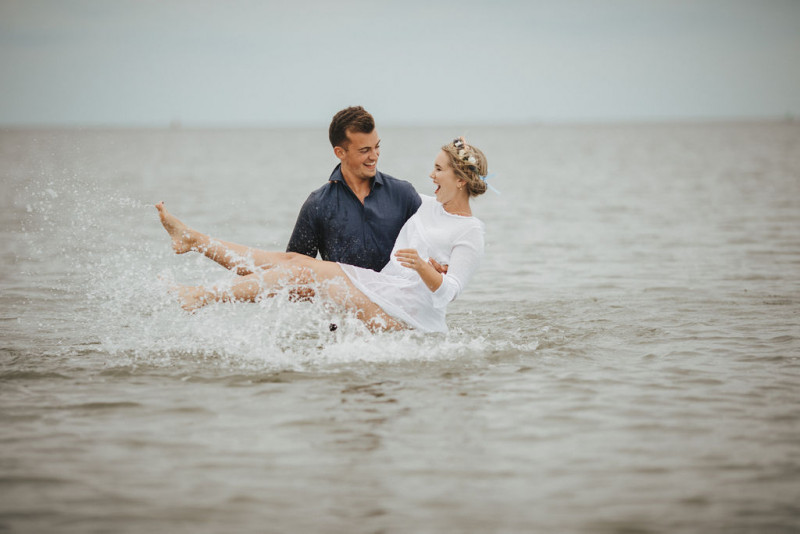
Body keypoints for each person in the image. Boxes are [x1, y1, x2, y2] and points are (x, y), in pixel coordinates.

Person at [155, 138, 488, 333]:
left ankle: (201, 296)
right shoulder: (425, 205)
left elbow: (448, 294)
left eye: (439, 169)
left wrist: (425, 269)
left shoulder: (470, 231)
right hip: (383, 292)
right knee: (290, 262)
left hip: (407, 317)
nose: (431, 174)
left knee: (299, 270)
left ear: (460, 180)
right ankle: (195, 241)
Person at [286, 106, 423, 272]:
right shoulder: (317, 205)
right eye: (365, 150)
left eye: (376, 146)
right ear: (340, 152)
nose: (374, 156)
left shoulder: (403, 194)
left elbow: (431, 250)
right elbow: (294, 270)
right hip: (344, 297)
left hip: (395, 296)